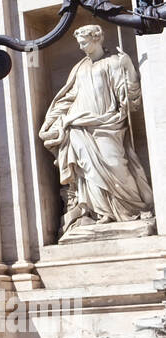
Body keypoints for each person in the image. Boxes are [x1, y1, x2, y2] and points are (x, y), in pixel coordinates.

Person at [39, 24, 154, 234]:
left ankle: (135, 207)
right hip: (78, 125)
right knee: (88, 170)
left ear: (96, 39)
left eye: (84, 42)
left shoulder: (114, 63)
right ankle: (101, 212)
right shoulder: (80, 67)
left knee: (115, 162)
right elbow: (67, 98)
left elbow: (129, 96)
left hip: (107, 124)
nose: (82, 47)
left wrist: (127, 66)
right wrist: (50, 121)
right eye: (79, 43)